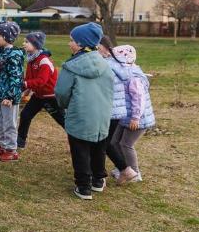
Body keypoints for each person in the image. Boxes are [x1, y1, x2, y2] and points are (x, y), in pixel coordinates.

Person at [55, 22, 124, 200]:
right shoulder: (106, 65)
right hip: (102, 116)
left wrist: (64, 104)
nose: (69, 43)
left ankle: (83, 186)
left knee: (80, 150)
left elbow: (61, 93)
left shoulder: (71, 66)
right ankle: (98, 180)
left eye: (72, 40)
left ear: (81, 43)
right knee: (98, 147)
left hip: (80, 115)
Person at [108, 45, 154, 183]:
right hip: (125, 117)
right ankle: (122, 168)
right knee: (114, 142)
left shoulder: (133, 77)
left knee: (126, 144)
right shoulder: (125, 73)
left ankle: (135, 172)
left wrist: (136, 117)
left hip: (137, 119)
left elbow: (138, 99)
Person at [98, 36, 140, 184]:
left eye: (98, 47)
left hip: (109, 110)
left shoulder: (106, 64)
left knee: (103, 143)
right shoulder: (117, 63)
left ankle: (123, 171)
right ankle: (123, 171)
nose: (96, 51)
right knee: (105, 143)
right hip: (116, 111)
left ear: (104, 47)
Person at [16, 31, 65, 149]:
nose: (24, 44)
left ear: (36, 45)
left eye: (27, 42)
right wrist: (26, 90)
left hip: (50, 97)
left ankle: (78, 141)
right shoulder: (31, 59)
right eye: (24, 41)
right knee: (25, 115)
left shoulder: (44, 61)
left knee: (63, 121)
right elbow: (30, 78)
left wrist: (25, 84)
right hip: (38, 96)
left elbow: (41, 81)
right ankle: (20, 142)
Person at [0, 22, 24, 162]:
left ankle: (11, 150)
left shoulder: (13, 55)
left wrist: (10, 96)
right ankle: (2, 145)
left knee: (9, 123)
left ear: (7, 37)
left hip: (9, 97)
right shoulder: (0, 52)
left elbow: (15, 77)